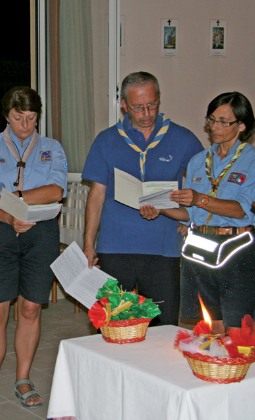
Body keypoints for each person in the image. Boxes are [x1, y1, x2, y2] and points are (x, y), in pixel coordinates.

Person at [0, 86, 68, 411]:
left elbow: (56, 190)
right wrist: (8, 215)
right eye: (19, 118)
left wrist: (13, 199)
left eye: (31, 118)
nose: (25, 125)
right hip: (1, 232)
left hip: (41, 231)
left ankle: (23, 378)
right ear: (7, 116)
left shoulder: (51, 148)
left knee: (30, 309)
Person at [140, 91, 255, 334]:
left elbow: (243, 210)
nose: (214, 127)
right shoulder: (199, 161)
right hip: (200, 247)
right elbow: (191, 213)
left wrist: (200, 198)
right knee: (210, 328)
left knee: (237, 331)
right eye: (211, 120)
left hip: (236, 248)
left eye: (224, 122)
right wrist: (160, 208)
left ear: (242, 125)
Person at [81, 71, 203, 326]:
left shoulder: (183, 138)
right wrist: (89, 243)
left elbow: (201, 186)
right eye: (138, 107)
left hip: (163, 248)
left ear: (159, 98)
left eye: (152, 105)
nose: (146, 113)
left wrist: (188, 216)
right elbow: (96, 195)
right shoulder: (106, 140)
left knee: (164, 327)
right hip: (115, 247)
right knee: (114, 325)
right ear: (124, 105)